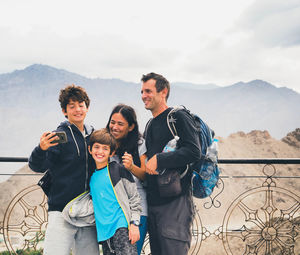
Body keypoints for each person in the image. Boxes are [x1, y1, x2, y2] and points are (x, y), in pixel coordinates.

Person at [28, 84, 99, 255]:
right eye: (72, 106)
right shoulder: (59, 136)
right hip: (61, 209)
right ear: (64, 111)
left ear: (87, 107)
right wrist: (41, 149)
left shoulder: (93, 135)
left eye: (81, 105)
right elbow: (36, 165)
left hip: (87, 211)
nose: (77, 110)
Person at [140, 72, 201, 255]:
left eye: (148, 91)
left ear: (163, 91)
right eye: (142, 91)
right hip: (155, 203)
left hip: (176, 203)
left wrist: (160, 159)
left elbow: (193, 151)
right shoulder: (151, 124)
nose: (143, 96)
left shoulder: (178, 116)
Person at [88, 128, 142, 255]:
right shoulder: (90, 177)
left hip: (121, 227)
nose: (100, 151)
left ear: (111, 152)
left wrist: (134, 224)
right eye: (96, 147)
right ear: (90, 149)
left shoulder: (118, 170)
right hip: (104, 233)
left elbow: (134, 198)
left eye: (105, 148)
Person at [106, 104, 147, 255]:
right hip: (112, 211)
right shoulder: (104, 144)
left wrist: (131, 167)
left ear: (131, 127)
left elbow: (146, 176)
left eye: (120, 124)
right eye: (112, 122)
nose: (114, 127)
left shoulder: (139, 144)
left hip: (137, 209)